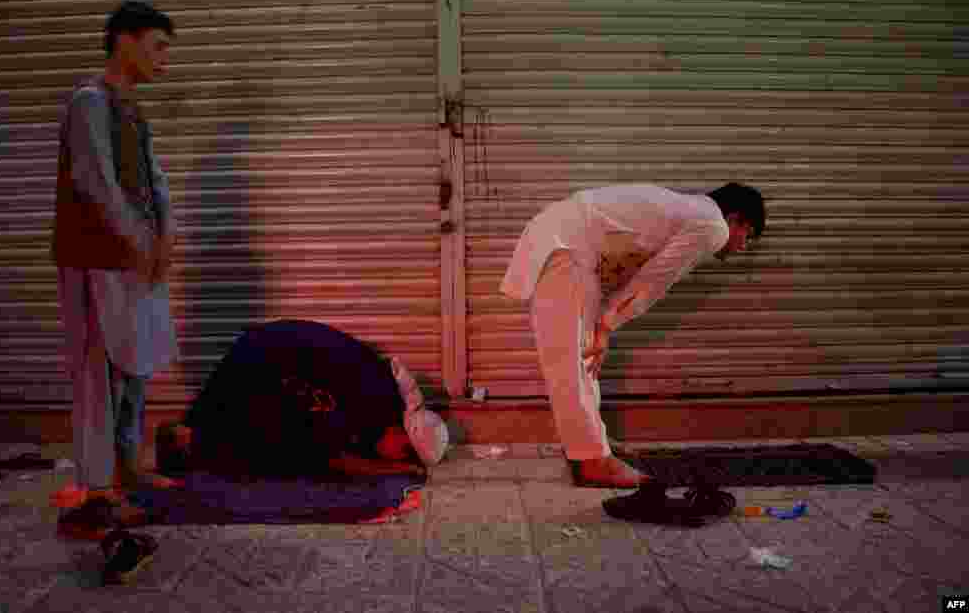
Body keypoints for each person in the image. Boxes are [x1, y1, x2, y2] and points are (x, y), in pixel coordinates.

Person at [500, 183, 766, 488]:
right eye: (749, 234)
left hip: (570, 245)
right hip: (569, 248)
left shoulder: (692, 211)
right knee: (572, 362)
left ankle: (593, 448)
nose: (744, 245)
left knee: (580, 360)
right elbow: (654, 279)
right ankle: (593, 460)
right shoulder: (713, 226)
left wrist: (605, 322)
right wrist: (607, 324)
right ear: (736, 219)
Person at [51, 0, 178, 513]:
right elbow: (96, 183)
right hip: (96, 258)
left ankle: (129, 468)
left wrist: (164, 237)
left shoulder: (132, 108)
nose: (164, 61)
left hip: (133, 259)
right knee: (99, 370)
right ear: (125, 40)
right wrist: (139, 242)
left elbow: (154, 180)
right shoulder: (90, 102)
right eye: (159, 46)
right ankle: (100, 489)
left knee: (135, 365)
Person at [155, 319, 450, 481]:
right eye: (403, 452)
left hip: (269, 356)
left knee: (284, 445)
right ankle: (180, 440)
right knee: (251, 453)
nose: (397, 457)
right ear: (401, 430)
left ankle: (183, 439)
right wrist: (399, 470)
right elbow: (338, 461)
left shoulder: (381, 397)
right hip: (262, 363)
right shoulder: (369, 403)